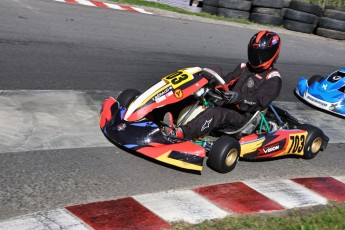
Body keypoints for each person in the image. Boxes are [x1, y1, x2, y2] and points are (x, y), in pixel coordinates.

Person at [164, 30, 282, 140]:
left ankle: (180, 133)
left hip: (243, 117)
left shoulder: (273, 78)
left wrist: (238, 99)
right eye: (254, 53)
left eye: (261, 54)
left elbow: (258, 102)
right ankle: (157, 116)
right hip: (227, 104)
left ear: (272, 54)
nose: (257, 57)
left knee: (216, 113)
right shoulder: (244, 68)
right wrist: (208, 82)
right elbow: (226, 81)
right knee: (192, 93)